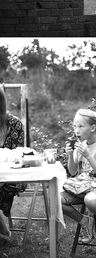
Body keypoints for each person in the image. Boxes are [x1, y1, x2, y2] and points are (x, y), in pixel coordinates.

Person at [61, 109, 96, 247]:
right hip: (84, 186)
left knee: (90, 200)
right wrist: (70, 155)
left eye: (80, 126)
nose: (76, 130)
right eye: (75, 126)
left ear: (92, 128)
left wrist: (88, 156)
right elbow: (73, 172)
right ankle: (86, 222)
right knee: (55, 200)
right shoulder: (80, 145)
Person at [0, 87, 26, 241]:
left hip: (13, 176)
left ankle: (3, 231)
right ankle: (3, 230)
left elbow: (18, 157)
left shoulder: (14, 123)